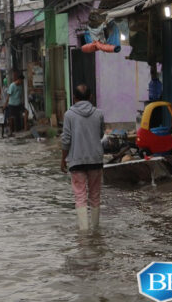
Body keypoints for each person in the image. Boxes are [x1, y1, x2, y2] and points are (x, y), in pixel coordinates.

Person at [60, 84, 105, 232]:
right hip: (95, 160)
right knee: (95, 195)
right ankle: (96, 230)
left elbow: (66, 140)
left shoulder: (69, 115)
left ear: (74, 98)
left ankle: (84, 233)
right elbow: (100, 134)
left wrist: (63, 159)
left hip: (76, 161)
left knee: (80, 196)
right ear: (90, 97)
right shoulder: (98, 114)